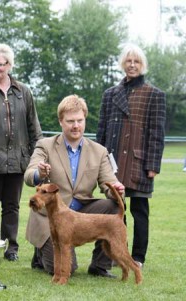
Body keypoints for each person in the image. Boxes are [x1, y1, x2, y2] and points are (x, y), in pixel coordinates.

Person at [24, 95, 125, 278]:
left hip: (80, 212)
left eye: (80, 120)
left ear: (85, 120)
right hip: (50, 216)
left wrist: (116, 189)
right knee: (67, 270)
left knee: (113, 207)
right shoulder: (45, 145)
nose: (76, 126)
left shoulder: (99, 151)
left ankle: (100, 266)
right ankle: (40, 252)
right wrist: (40, 173)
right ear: (61, 121)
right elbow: (29, 175)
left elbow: (108, 181)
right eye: (70, 121)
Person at [96, 44, 166, 268]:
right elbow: (102, 130)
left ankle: (138, 258)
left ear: (142, 64)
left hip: (139, 162)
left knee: (140, 211)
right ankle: (119, 254)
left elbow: (157, 133)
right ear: (122, 64)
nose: (132, 65)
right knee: (116, 208)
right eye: (128, 61)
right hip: (113, 163)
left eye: (136, 61)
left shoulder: (154, 95)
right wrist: (99, 160)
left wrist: (153, 164)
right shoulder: (110, 94)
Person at [0, 44, 42, 261]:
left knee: (12, 206)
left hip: (18, 160)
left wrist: (38, 155)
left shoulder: (23, 91)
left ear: (9, 65)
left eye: (0, 64)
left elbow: (34, 126)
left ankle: (11, 248)